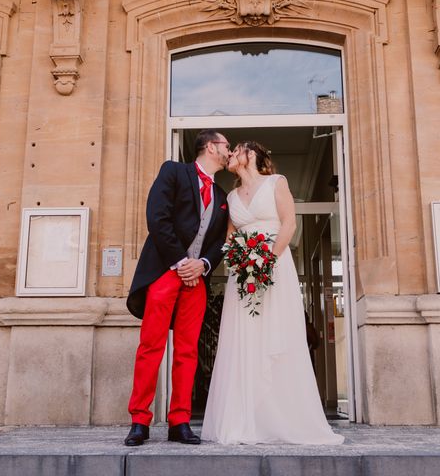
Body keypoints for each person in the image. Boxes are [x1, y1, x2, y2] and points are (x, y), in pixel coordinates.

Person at [201, 141, 344, 445]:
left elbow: (289, 223)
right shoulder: (231, 195)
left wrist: (267, 261)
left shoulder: (277, 183)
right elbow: (230, 236)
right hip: (243, 272)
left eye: (236, 150)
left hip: (275, 265)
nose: (230, 155)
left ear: (251, 155)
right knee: (244, 338)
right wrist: (240, 260)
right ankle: (244, 419)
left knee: (276, 334)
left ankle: (282, 417)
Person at [124, 130, 230, 446]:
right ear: (211, 147)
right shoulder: (173, 171)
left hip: (196, 279)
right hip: (165, 272)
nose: (229, 151)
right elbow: (157, 218)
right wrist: (181, 262)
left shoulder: (222, 196)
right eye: (226, 146)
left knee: (188, 350)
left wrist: (203, 265)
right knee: (150, 346)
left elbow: (221, 243)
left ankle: (179, 421)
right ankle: (139, 421)